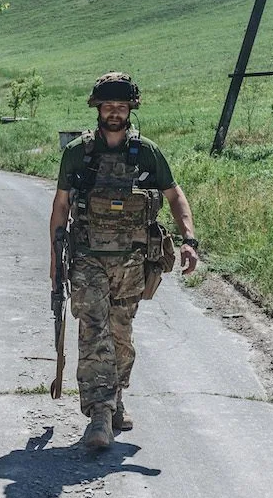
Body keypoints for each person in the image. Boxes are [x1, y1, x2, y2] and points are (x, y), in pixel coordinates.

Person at [49, 72, 200, 450]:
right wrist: (55, 261)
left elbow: (175, 195)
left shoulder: (146, 153)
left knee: (120, 334)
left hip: (132, 262)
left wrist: (189, 240)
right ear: (97, 109)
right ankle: (99, 414)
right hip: (87, 259)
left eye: (121, 106)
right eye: (108, 106)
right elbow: (61, 207)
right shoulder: (78, 153)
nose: (114, 113)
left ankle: (115, 395)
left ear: (130, 109)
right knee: (92, 331)